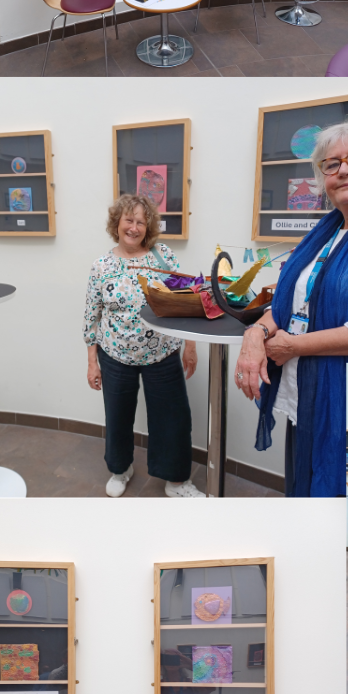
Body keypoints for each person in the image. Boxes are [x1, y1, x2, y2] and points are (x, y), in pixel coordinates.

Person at [233, 120, 348, 497]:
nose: (344, 169)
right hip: (308, 396)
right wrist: (257, 332)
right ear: (322, 180)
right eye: (331, 164)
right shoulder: (326, 233)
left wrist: (294, 347)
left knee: (341, 504)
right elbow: (295, 303)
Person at [83, 193, 203, 498]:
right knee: (118, 416)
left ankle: (176, 480)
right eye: (128, 220)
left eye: (140, 221)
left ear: (147, 226)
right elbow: (91, 315)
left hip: (162, 353)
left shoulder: (162, 256)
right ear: (117, 223)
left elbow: (187, 302)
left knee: (173, 418)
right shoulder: (102, 265)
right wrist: (92, 361)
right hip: (115, 355)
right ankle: (120, 469)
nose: (134, 227)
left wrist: (190, 345)